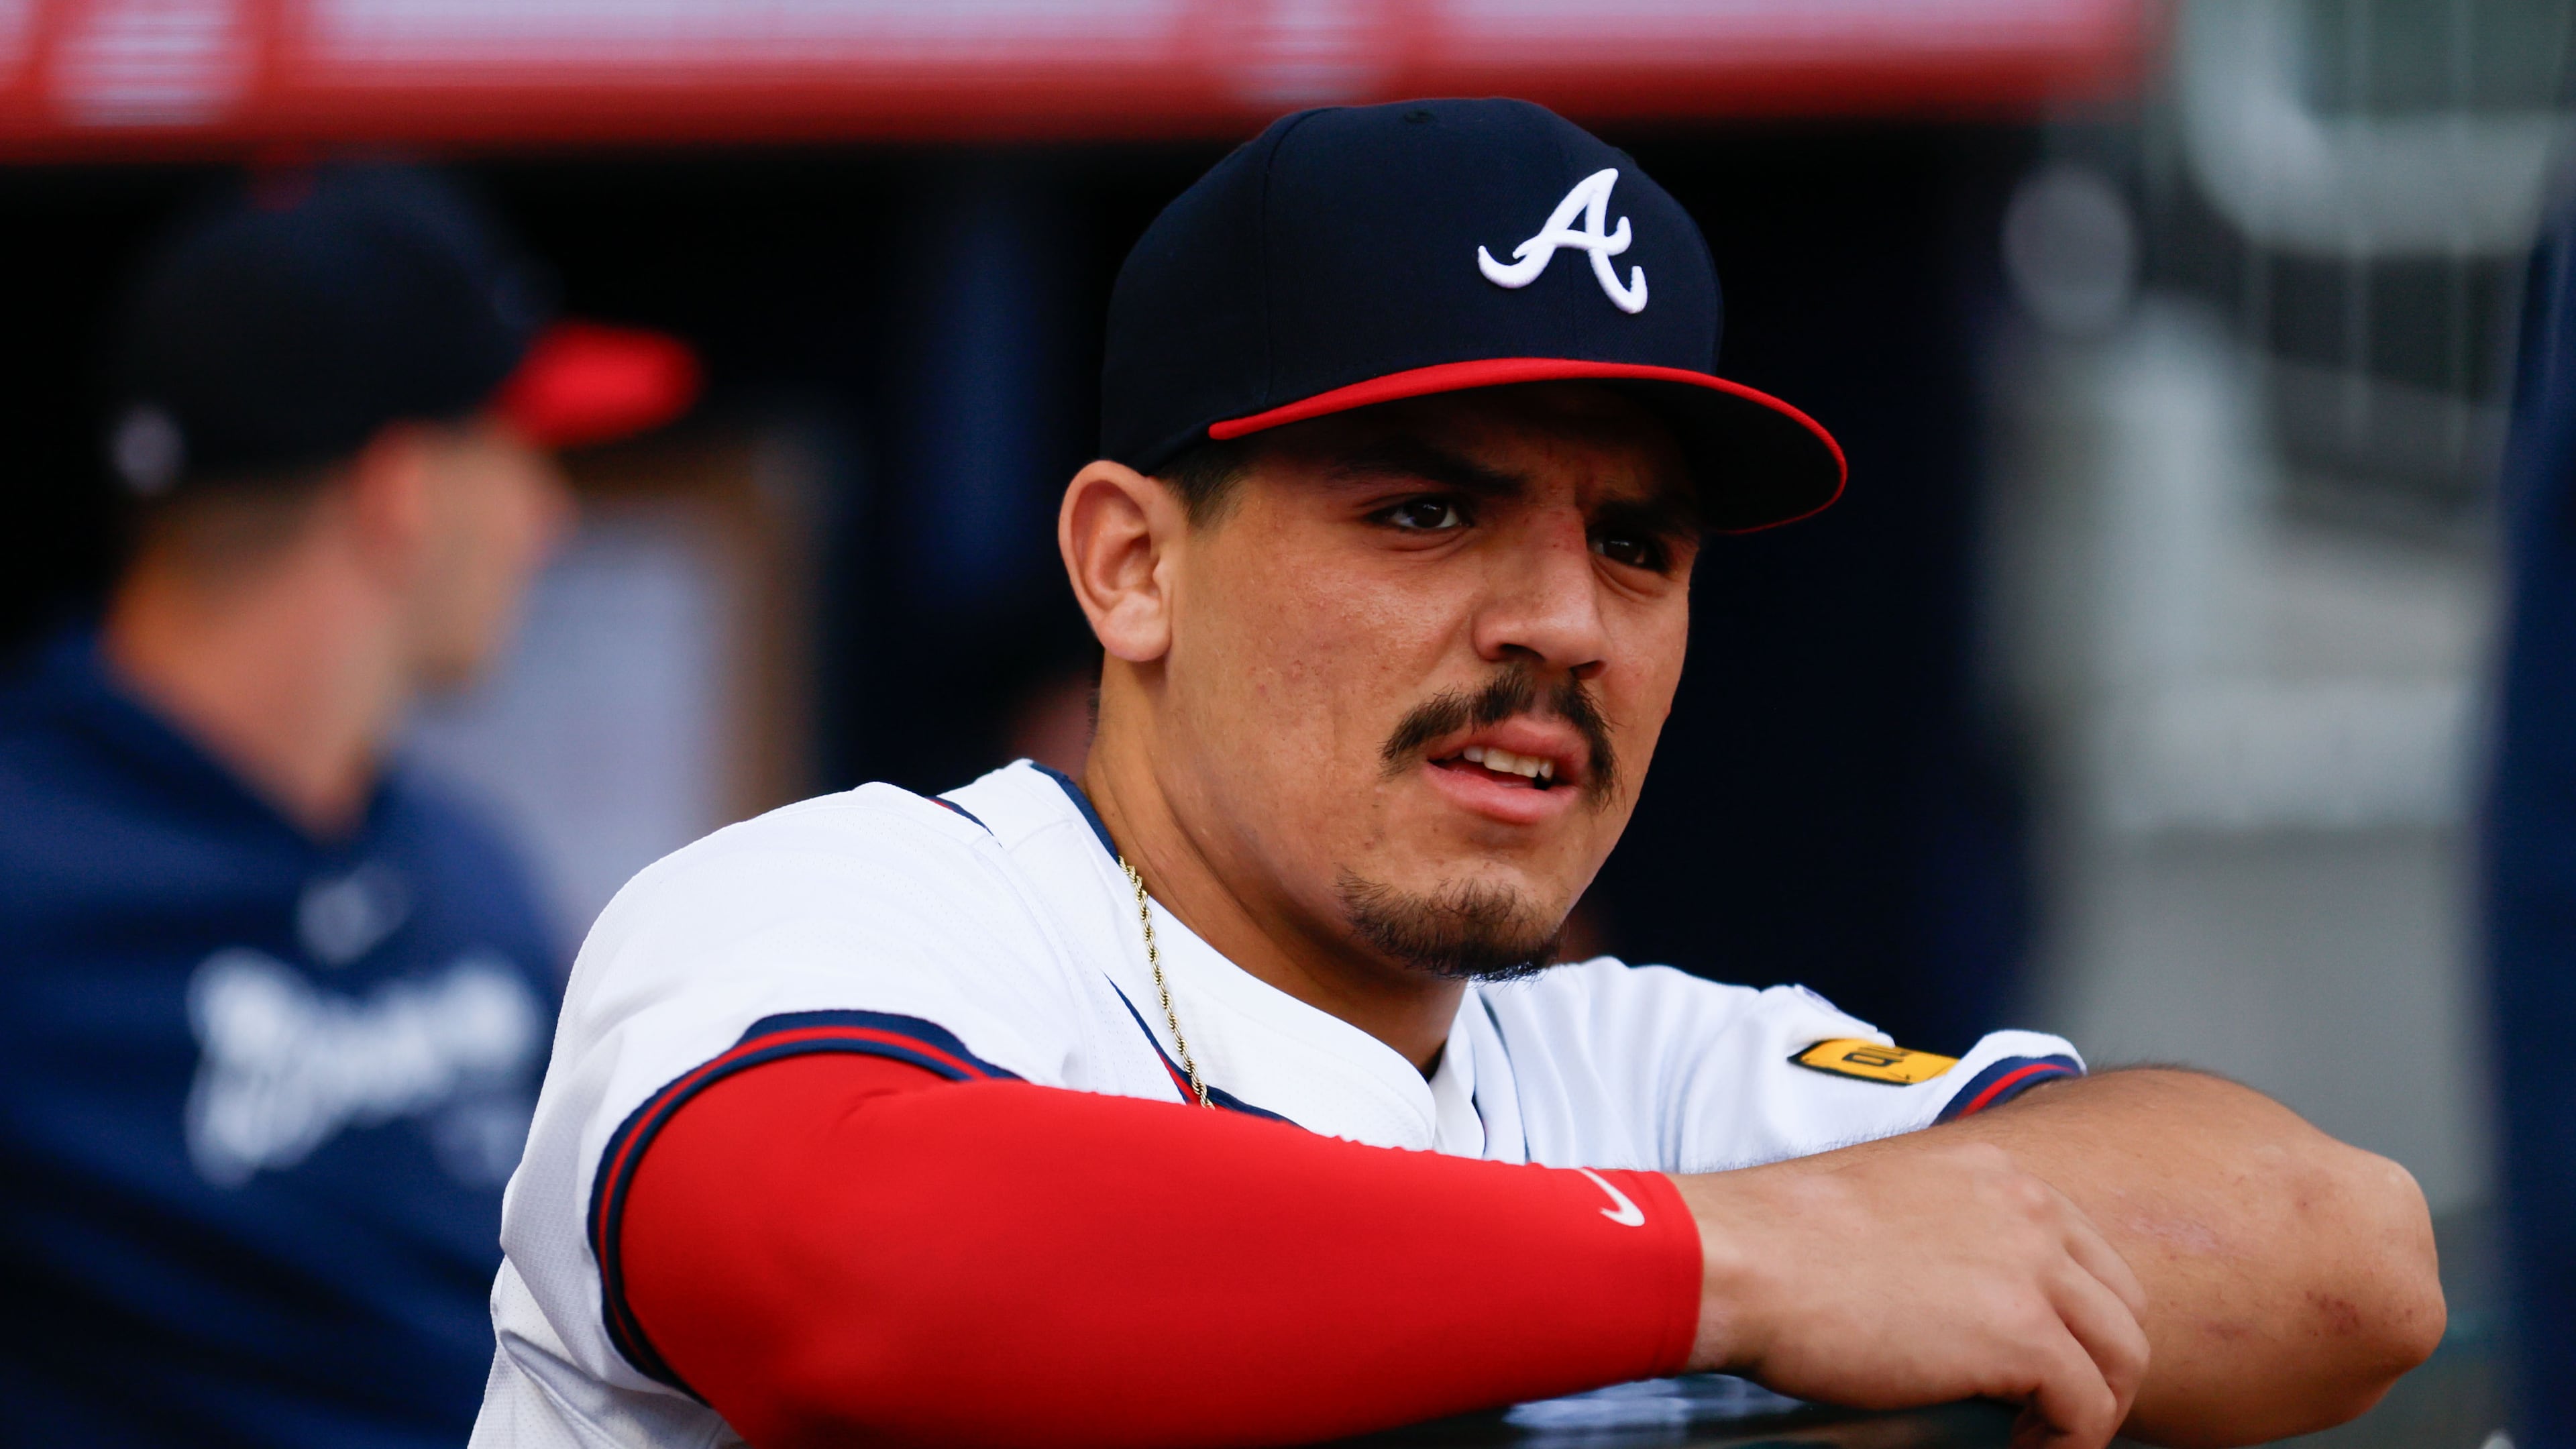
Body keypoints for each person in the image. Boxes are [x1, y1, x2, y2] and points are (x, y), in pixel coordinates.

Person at [474, 101, 2440, 1449]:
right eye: (1428, 513)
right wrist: (1724, 1268)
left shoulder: (1624, 1068)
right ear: (1131, 566)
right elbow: (852, 1277)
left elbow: (2340, 1258)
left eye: (1640, 547)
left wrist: (1759, 1251)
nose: (1565, 624)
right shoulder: (861, 904)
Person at [0, 166, 698, 1446]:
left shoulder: (464, 871)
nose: (546, 521)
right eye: (519, 455)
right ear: (401, 490)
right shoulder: (27, 871)